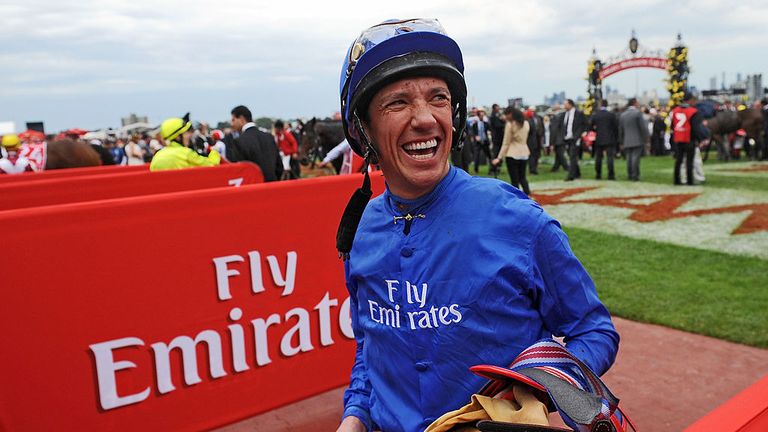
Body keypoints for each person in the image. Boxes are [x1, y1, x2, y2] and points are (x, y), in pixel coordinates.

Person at [335, 18, 619, 432]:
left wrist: (537, 388)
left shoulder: (518, 220)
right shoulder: (361, 230)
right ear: (363, 130)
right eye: (397, 103)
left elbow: (593, 330)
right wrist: (354, 416)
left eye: (439, 98)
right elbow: (369, 347)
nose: (426, 118)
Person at [149, 113, 221, 171]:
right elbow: (212, 165)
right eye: (186, 132)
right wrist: (215, 151)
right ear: (177, 137)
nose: (190, 135)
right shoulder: (186, 153)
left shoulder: (158, 155)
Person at [229, 105, 282, 181]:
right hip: (272, 187)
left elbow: (241, 172)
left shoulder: (239, 141)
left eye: (233, 120)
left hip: (253, 188)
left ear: (241, 119)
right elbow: (279, 168)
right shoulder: (269, 137)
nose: (232, 124)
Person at [671, 92, 707, 185]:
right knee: (689, 162)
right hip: (689, 138)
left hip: (678, 138)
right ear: (691, 100)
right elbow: (697, 128)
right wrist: (702, 138)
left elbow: (672, 126)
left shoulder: (675, 110)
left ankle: (677, 180)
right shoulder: (694, 112)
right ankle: (690, 181)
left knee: (678, 161)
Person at [492, 107, 530, 195]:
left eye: (506, 114)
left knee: (515, 180)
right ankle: (528, 196)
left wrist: (499, 158)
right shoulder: (526, 123)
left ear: (510, 114)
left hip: (512, 154)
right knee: (523, 178)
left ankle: (517, 199)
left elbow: (506, 143)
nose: (505, 116)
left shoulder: (510, 124)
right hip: (524, 153)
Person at [619, 98, 649, 181]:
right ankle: (635, 175)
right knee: (635, 159)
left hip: (626, 140)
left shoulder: (623, 115)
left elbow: (621, 130)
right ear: (634, 103)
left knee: (629, 158)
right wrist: (646, 138)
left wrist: (621, 141)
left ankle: (630, 174)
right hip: (637, 139)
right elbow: (643, 128)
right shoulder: (638, 113)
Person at [590, 99, 618, 180]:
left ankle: (598, 174)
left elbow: (591, 126)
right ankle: (611, 175)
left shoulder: (596, 115)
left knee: (598, 158)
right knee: (610, 158)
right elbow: (615, 127)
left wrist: (596, 130)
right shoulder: (611, 115)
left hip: (599, 138)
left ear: (600, 105)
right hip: (609, 138)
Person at [562, 99, 587, 181]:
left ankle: (571, 175)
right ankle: (577, 173)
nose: (564, 106)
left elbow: (585, 124)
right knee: (571, 156)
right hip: (567, 138)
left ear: (570, 104)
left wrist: (581, 133)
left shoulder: (578, 113)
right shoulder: (565, 114)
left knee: (572, 156)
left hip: (575, 138)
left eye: (565, 104)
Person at [470, 108, 492, 174]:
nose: (482, 116)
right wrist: (475, 137)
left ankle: (491, 170)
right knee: (476, 156)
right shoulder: (475, 124)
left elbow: (489, 131)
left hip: (485, 141)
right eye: (481, 115)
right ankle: (476, 170)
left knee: (489, 156)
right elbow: (472, 133)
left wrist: (489, 134)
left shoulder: (486, 123)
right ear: (478, 116)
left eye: (483, 115)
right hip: (478, 142)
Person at [548, 104, 568, 172]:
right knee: (558, 154)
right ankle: (555, 167)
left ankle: (567, 167)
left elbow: (554, 130)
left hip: (558, 139)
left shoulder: (556, 117)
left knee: (560, 155)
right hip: (561, 138)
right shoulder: (562, 115)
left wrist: (552, 142)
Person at [489, 103, 505, 176]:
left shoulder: (498, 115)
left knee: (499, 154)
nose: (498, 109)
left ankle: (498, 167)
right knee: (495, 154)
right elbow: (497, 125)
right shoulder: (493, 116)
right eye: (497, 108)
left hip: (500, 138)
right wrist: (504, 122)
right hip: (496, 138)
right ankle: (492, 169)